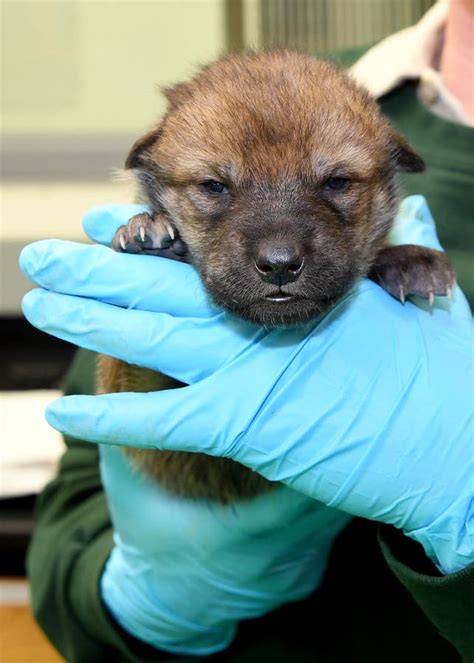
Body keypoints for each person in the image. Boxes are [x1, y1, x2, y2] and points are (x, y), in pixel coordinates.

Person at [20, 2, 473, 661]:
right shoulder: (264, 112)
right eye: (215, 189)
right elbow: (71, 522)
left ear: (388, 176)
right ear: (156, 185)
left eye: (337, 184)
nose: (282, 248)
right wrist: (140, 601)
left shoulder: (355, 122)